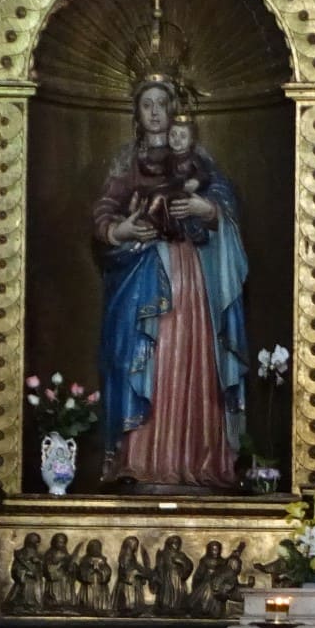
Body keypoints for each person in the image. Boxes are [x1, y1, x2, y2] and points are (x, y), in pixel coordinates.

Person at [93, 79, 248, 489]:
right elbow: (104, 212)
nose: (156, 112)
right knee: (147, 357)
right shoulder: (127, 162)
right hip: (144, 272)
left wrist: (206, 208)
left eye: (163, 104)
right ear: (138, 114)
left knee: (192, 355)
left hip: (189, 274)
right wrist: (122, 230)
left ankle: (196, 457)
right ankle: (142, 459)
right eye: (148, 105)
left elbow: (226, 204)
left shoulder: (198, 161)